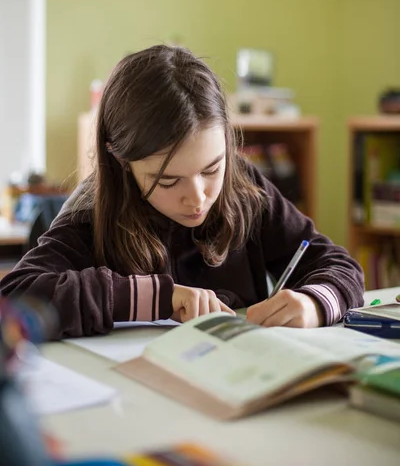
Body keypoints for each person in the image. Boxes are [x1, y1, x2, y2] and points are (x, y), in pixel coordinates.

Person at [0, 45, 364, 338]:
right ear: (121, 160)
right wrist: (155, 297)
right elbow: (14, 297)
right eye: (168, 180)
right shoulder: (93, 211)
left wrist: (314, 303)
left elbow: (340, 266)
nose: (199, 197)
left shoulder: (245, 187)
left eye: (212, 168)